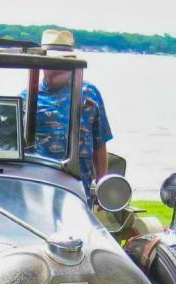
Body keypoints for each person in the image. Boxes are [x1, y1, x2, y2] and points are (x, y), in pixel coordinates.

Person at [21, 29, 113, 195]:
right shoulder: (26, 98)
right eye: (51, 64)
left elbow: (100, 141)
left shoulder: (89, 93)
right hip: (40, 185)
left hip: (80, 186)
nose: (55, 70)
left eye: (60, 64)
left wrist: (101, 185)